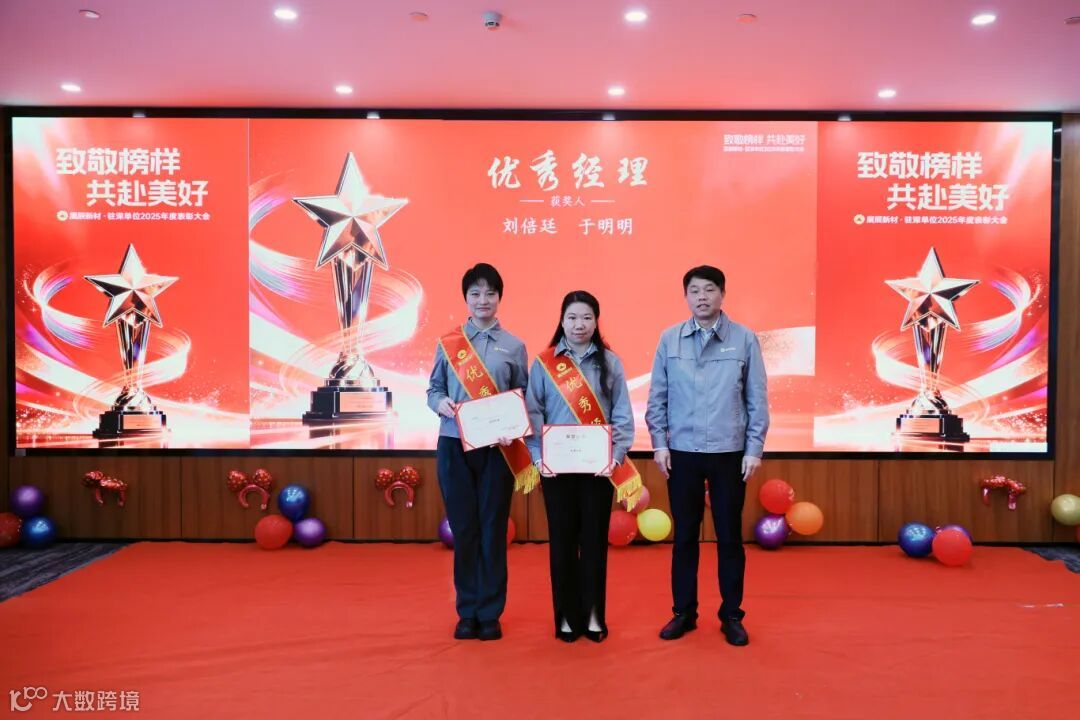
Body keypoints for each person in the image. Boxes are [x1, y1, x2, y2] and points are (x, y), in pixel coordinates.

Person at [645, 265, 769, 646]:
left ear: (722, 294)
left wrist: (754, 448)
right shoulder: (670, 339)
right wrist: (659, 443)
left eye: (709, 289)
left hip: (729, 453)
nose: (702, 297)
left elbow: (757, 398)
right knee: (684, 536)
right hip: (681, 452)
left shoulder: (744, 339)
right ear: (686, 296)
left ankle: (731, 614)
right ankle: (683, 612)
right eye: (695, 291)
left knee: (729, 536)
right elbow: (657, 397)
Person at [427, 263, 536, 641]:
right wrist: (440, 404)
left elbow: (523, 396)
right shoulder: (448, 343)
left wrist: (513, 427)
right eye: (475, 293)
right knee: (465, 529)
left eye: (490, 293)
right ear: (466, 298)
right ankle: (467, 611)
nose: (483, 300)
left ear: (499, 297)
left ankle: (490, 612)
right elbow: (433, 390)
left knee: (492, 529)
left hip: (497, 450)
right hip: (454, 444)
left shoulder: (514, 346)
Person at [525, 291, 637, 643]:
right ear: (561, 321)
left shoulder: (610, 363)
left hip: (597, 470)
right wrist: (538, 458)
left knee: (593, 544)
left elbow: (622, 415)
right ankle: (565, 618)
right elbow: (533, 413)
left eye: (587, 317)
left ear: (596, 321)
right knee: (561, 544)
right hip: (556, 471)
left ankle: (592, 616)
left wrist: (615, 457)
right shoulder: (544, 363)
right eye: (572, 317)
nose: (579, 325)